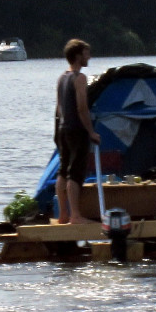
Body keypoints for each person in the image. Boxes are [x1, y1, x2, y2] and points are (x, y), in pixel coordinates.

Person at [54, 38, 100, 225]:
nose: (89, 57)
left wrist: (58, 131)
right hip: (76, 130)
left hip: (63, 129)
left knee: (63, 171)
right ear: (77, 55)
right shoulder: (79, 78)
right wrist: (91, 132)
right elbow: (82, 108)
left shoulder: (62, 78)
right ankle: (75, 216)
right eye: (86, 53)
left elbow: (59, 109)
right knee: (75, 173)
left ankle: (63, 214)